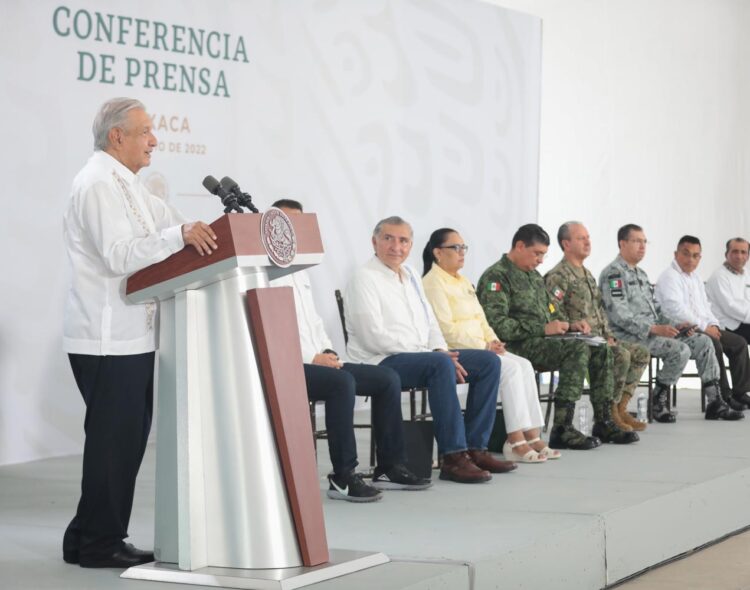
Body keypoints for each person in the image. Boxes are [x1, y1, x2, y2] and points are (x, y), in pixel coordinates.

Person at [63, 98, 218, 568]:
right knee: (115, 443)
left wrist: (206, 229)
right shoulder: (95, 184)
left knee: (123, 441)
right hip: (107, 338)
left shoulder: (127, 183)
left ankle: (86, 536)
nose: (154, 140)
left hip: (134, 336)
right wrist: (179, 236)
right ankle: (98, 543)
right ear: (117, 136)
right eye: (146, 131)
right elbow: (118, 255)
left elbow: (171, 221)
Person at [270, 199, 431, 502]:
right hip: (288, 364)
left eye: (298, 224)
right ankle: (343, 475)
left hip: (318, 358)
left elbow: (313, 323)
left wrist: (328, 351)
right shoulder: (264, 270)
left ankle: (389, 466)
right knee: (342, 383)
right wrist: (311, 358)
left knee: (386, 379)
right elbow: (272, 329)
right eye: (284, 223)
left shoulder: (301, 270)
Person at [344, 216, 515, 484]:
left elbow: (430, 321)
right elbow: (372, 337)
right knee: (440, 365)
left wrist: (437, 348)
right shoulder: (364, 277)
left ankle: (475, 448)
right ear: (374, 241)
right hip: (380, 360)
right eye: (388, 238)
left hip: (424, 356)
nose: (395, 246)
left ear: (411, 245)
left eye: (403, 240)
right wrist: (432, 355)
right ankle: (453, 457)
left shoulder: (411, 274)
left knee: (487, 362)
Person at [477, 224, 638, 450]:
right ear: (520, 246)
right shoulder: (497, 277)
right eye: (537, 253)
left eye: (543, 254)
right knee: (577, 350)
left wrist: (569, 324)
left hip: (543, 341)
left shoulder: (533, 276)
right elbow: (497, 325)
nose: (541, 260)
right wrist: (543, 328)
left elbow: (551, 310)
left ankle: (604, 421)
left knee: (600, 347)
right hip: (515, 345)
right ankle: (562, 428)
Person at [421, 228, 558, 464]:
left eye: (463, 247)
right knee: (511, 369)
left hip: (481, 348)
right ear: (437, 253)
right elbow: (446, 329)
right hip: (454, 352)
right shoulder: (433, 283)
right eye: (455, 248)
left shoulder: (462, 281)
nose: (462, 253)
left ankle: (532, 435)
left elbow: (481, 320)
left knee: (523, 364)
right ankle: (514, 441)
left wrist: (494, 341)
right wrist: (484, 346)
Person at [599, 225, 743, 422]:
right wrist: (653, 328)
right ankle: (658, 401)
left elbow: (656, 310)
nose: (642, 246)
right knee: (679, 350)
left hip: (654, 331)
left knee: (703, 341)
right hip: (631, 335)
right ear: (622, 244)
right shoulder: (613, 274)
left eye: (644, 242)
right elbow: (618, 315)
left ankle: (715, 402)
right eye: (636, 241)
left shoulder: (640, 274)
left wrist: (678, 324)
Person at [545, 222, 650, 433]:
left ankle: (619, 408)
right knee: (621, 355)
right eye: (581, 238)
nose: (587, 242)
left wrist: (609, 335)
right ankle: (607, 414)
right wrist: (571, 326)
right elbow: (552, 311)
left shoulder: (587, 275)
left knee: (641, 353)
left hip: (600, 339)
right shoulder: (559, 275)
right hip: (579, 342)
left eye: (588, 237)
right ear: (566, 244)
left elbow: (601, 311)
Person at [655, 235, 750, 412]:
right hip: (679, 329)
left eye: (695, 255)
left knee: (739, 343)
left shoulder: (695, 278)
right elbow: (676, 310)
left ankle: (740, 392)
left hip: (703, 326)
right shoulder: (670, 277)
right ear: (676, 254)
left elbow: (706, 306)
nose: (691, 259)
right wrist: (705, 327)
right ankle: (722, 397)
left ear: (700, 258)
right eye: (686, 254)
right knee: (714, 344)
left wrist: (713, 324)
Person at [706, 237, 750, 350]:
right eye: (735, 251)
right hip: (728, 326)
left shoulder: (746, 274)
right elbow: (730, 308)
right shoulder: (719, 276)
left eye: (743, 252)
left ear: (748, 256)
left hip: (744, 322)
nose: (739, 256)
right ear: (726, 254)